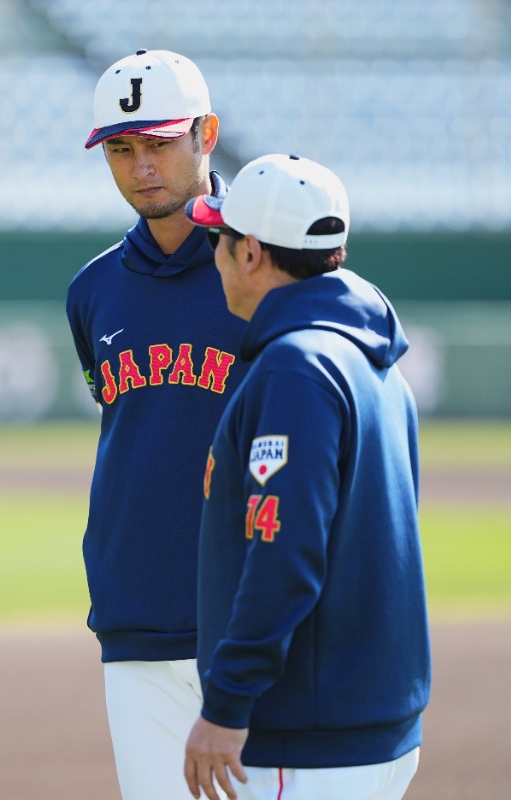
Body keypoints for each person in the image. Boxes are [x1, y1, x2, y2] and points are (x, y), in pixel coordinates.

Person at [181, 154, 431, 800]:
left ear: (252, 254)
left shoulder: (295, 368)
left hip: (306, 736)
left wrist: (227, 704)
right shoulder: (374, 362)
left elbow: (285, 554)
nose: (214, 256)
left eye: (218, 239)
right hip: (372, 725)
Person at [65, 49, 249, 800]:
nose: (141, 167)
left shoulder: (269, 265)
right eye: (121, 149)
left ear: (207, 133)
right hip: (135, 619)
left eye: (161, 143)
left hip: (252, 619)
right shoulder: (92, 290)